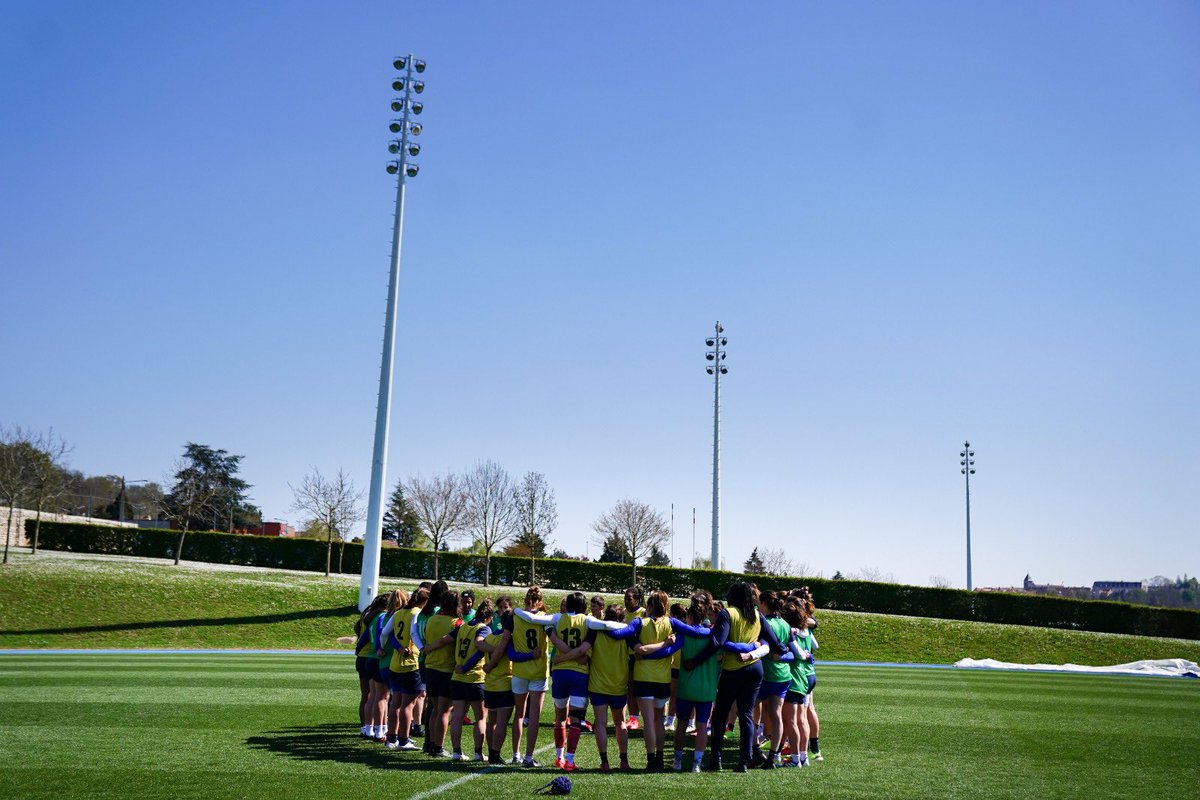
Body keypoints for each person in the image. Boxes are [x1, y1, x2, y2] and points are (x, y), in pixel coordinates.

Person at [590, 590, 700, 772]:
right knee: (660, 721)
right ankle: (659, 758)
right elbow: (692, 633)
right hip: (663, 679)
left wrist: (598, 623)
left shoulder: (640, 622)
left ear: (648, 605)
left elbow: (619, 634)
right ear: (665, 606)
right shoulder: (671, 622)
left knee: (649, 722)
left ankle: (650, 761)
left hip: (643, 677)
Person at [685, 581, 787, 772]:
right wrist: (785, 650)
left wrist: (695, 661)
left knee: (720, 715)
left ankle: (716, 760)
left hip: (733, 670)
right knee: (746, 715)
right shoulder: (757, 615)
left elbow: (717, 642)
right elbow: (774, 640)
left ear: (733, 596)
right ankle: (744, 761)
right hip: (755, 669)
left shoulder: (728, 613)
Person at [512, 591, 592, 771]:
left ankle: (558, 757)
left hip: (559, 674)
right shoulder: (588, 621)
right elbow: (606, 627)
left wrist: (516, 610)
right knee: (576, 719)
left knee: (559, 718)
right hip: (579, 674)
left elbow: (535, 622)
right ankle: (569, 761)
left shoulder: (556, 619)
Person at [671, 591, 719, 772]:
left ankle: (677, 761)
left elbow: (670, 650)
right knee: (701, 727)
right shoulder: (713, 635)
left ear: (690, 616)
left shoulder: (685, 635)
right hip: (706, 689)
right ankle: (696, 764)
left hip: (686, 687)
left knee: (682, 724)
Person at [585, 604, 632, 772]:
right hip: (618, 685)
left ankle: (604, 762)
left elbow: (586, 655)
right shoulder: (626, 634)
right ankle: (624, 760)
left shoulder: (596, 631)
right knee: (620, 723)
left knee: (601, 724)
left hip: (598, 685)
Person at [508, 586, 550, 767]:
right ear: (539, 602)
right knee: (533, 717)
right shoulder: (544, 618)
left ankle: (515, 754)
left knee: (518, 714)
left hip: (519, 671)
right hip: (538, 672)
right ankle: (528, 757)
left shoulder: (515, 617)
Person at [380, 588, 426, 751]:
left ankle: (391, 738)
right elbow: (414, 633)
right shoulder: (416, 612)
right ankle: (404, 740)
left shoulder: (397, 613)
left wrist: (384, 647)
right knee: (408, 704)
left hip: (395, 664)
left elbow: (384, 633)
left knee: (396, 702)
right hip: (411, 663)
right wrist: (423, 648)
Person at [756, 591, 797, 768]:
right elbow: (792, 652)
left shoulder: (763, 623)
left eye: (759, 603)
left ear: (764, 603)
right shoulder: (785, 624)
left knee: (751, 712)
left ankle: (754, 750)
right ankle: (774, 756)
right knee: (776, 714)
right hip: (783, 675)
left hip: (766, 674)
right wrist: (782, 657)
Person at [450, 598, 493, 761]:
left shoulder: (463, 626)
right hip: (475, 678)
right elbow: (480, 650)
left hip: (457, 678)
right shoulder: (484, 629)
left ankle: (456, 752)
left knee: (458, 716)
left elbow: (448, 639)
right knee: (480, 718)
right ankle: (477, 753)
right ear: (489, 617)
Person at [421, 590, 461, 757]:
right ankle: (438, 747)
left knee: (435, 709)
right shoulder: (456, 623)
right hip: (446, 669)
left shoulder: (431, 619)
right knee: (444, 711)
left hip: (430, 667)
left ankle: (430, 743)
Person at [477, 599, 517, 764]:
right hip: (504, 682)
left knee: (491, 721)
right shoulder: (509, 638)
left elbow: (480, 647)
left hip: (490, 684)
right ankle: (495, 754)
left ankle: (491, 752)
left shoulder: (490, 637)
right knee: (502, 723)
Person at [354, 593, 390, 740]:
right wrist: (379, 648)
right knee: (380, 696)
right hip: (374, 656)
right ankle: (379, 729)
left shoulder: (368, 614)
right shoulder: (381, 617)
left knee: (367, 696)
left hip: (364, 656)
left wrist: (358, 648)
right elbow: (378, 635)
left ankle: (366, 728)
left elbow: (359, 631)